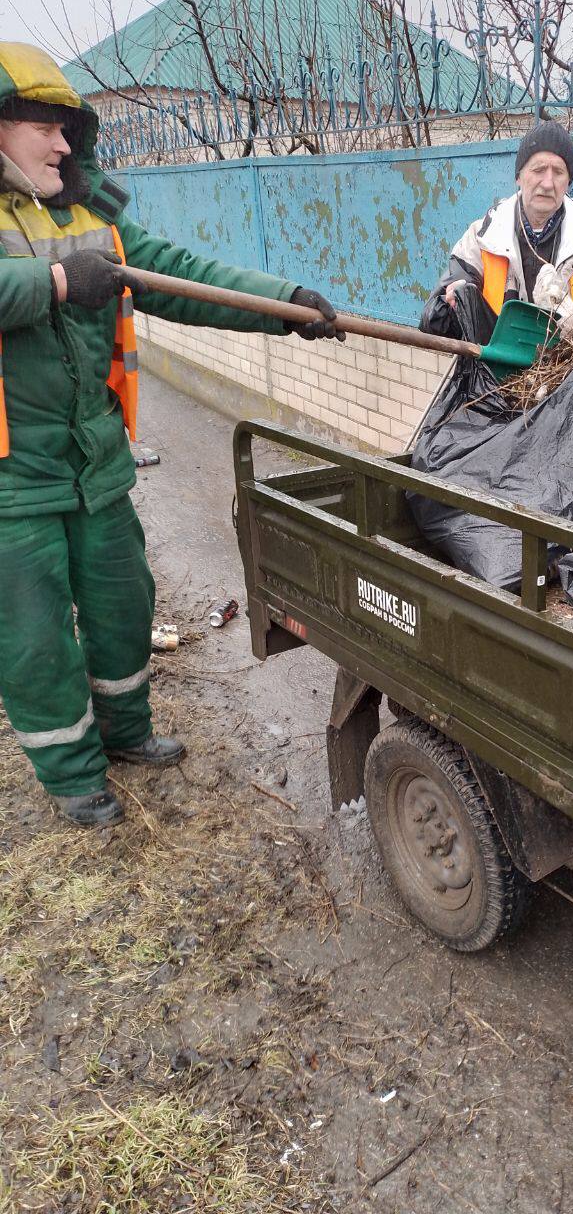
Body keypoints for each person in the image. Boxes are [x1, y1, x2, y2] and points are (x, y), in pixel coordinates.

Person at [0, 42, 343, 829]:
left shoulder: (90, 208)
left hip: (95, 459)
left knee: (124, 602)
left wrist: (286, 306)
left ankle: (126, 734)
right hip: (12, 474)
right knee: (33, 635)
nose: (64, 144)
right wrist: (54, 281)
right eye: (44, 128)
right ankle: (72, 773)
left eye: (67, 129)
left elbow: (181, 274)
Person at [420, 121, 573, 344]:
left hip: (570, 383)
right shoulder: (483, 237)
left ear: (568, 181)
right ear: (519, 176)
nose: (548, 183)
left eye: (558, 172)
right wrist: (451, 305)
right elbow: (434, 318)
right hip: (494, 381)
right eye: (538, 170)